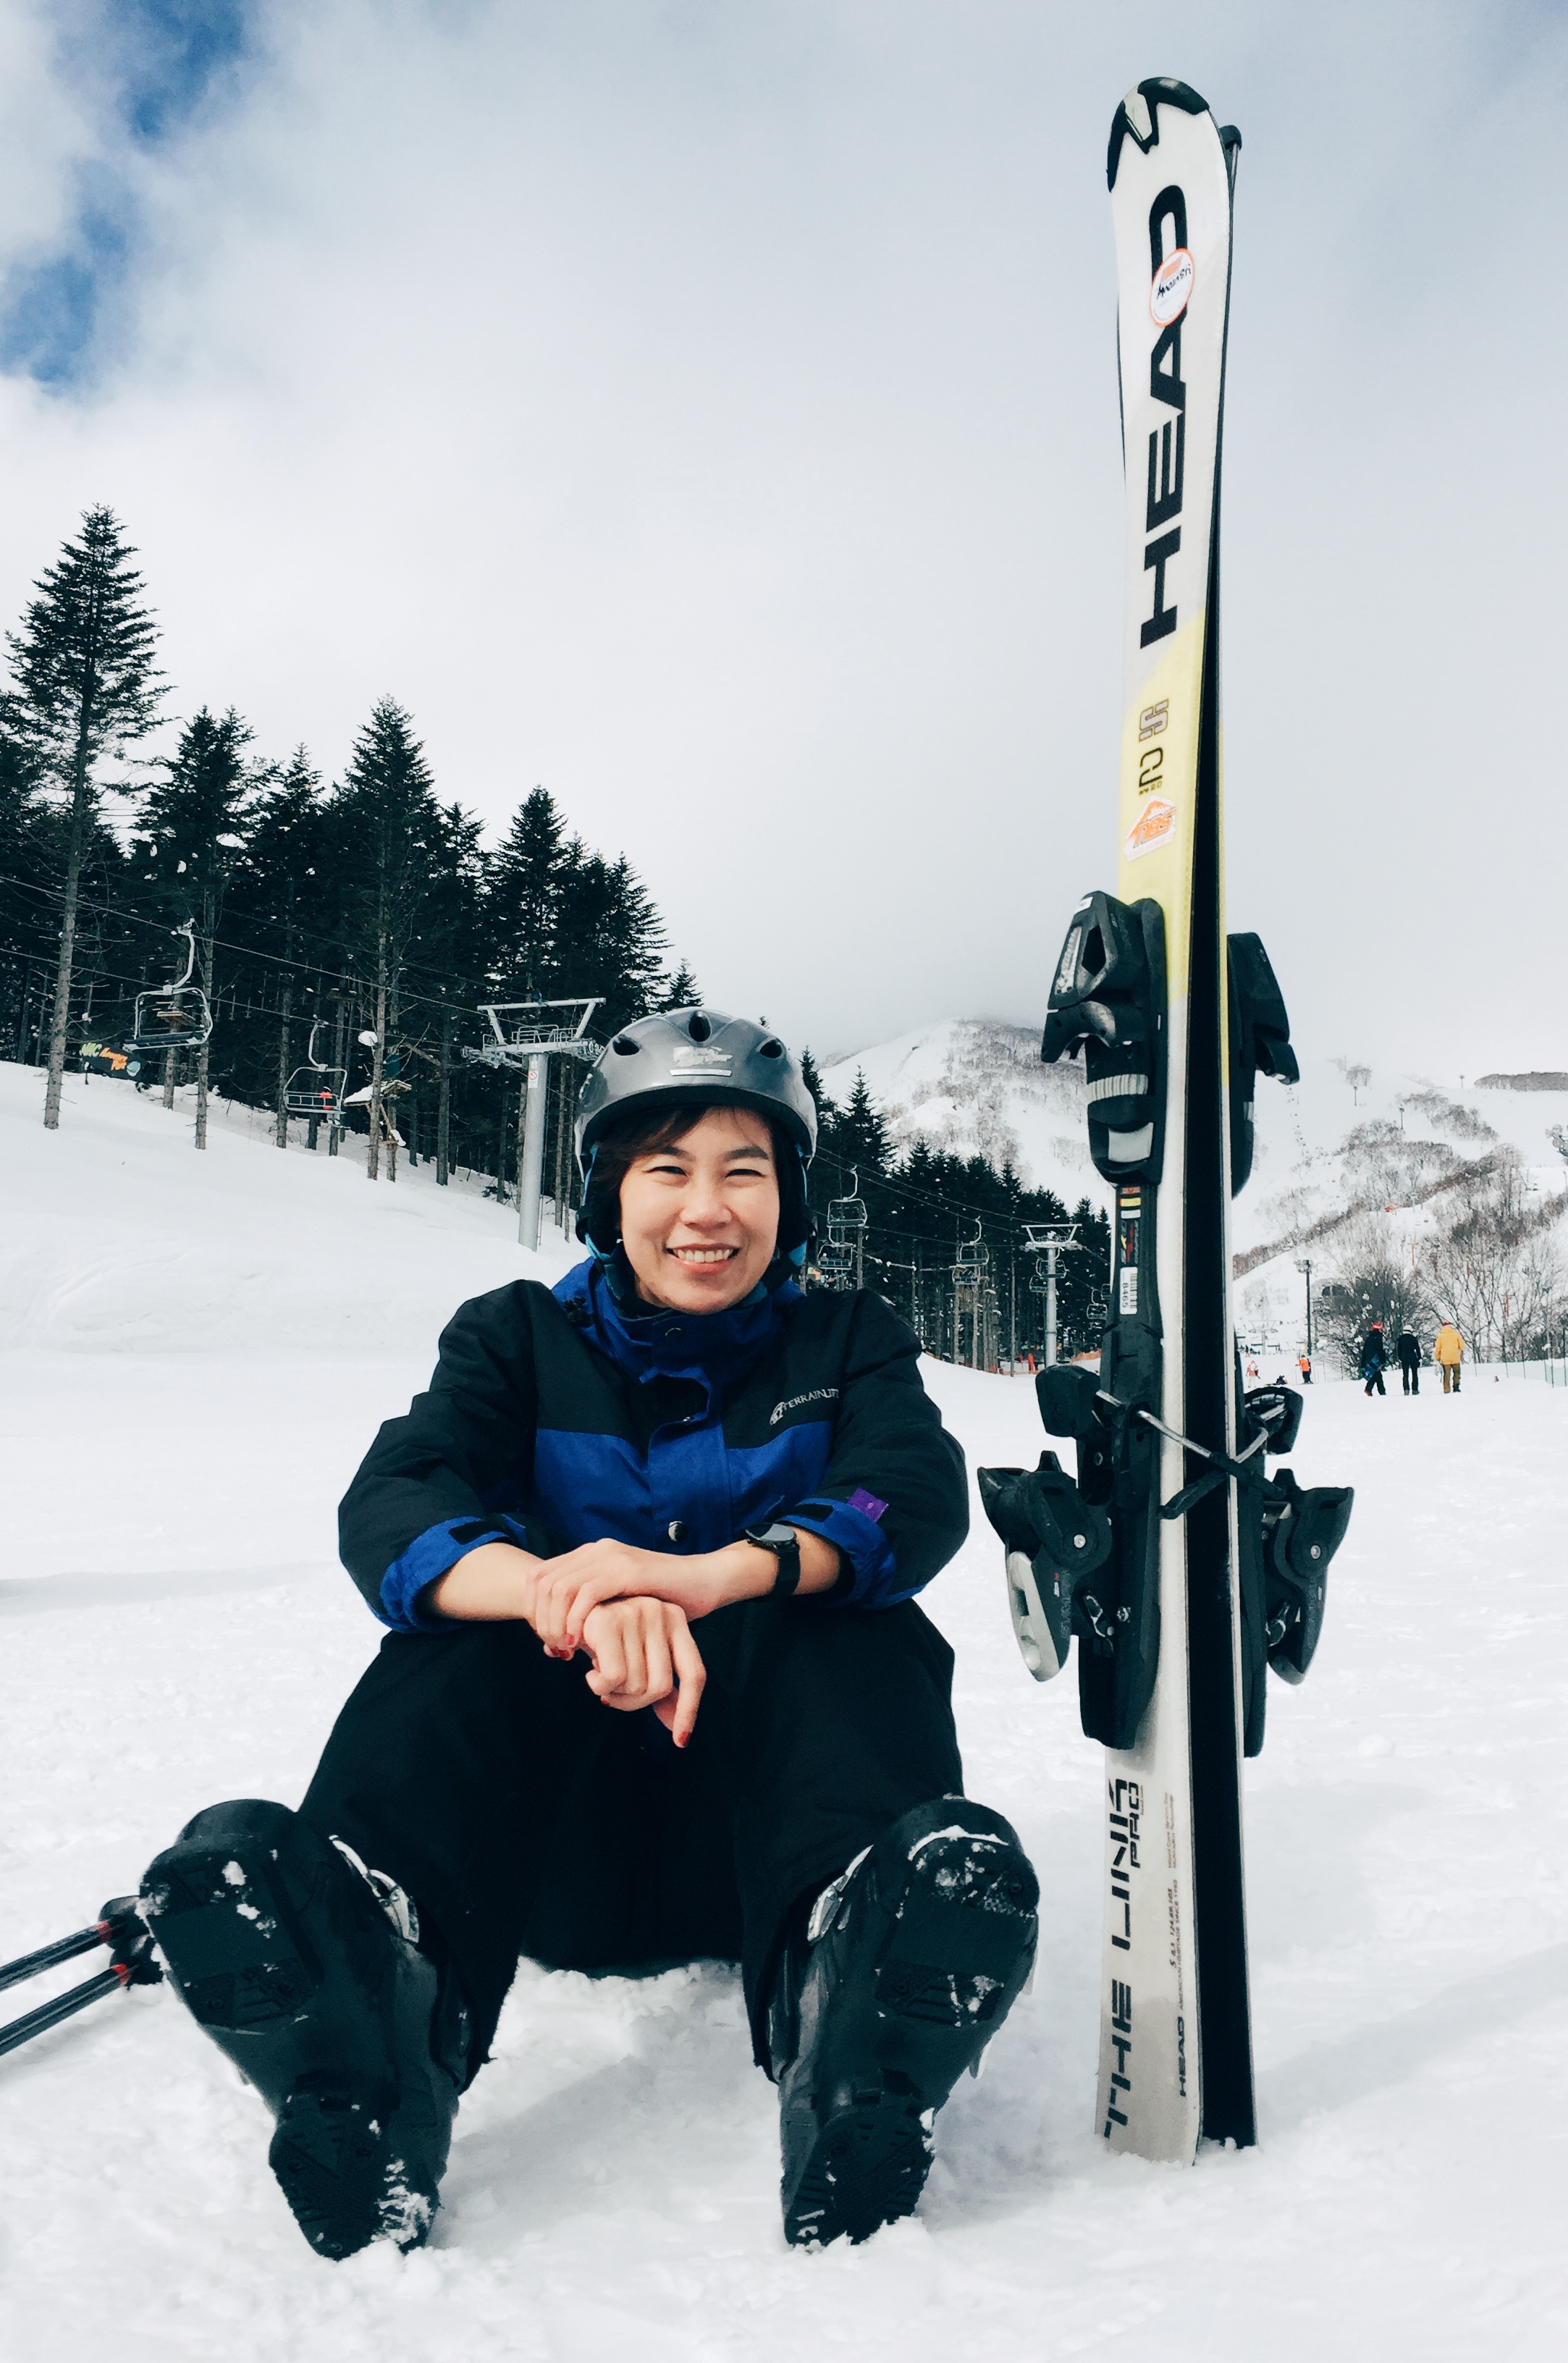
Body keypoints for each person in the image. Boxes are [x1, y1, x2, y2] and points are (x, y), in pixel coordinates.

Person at [137, 1009, 1038, 2263]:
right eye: (666, 1169)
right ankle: (380, 2006)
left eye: (744, 1171)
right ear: (607, 1193)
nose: (706, 1208)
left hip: (768, 1863)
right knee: (461, 1635)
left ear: (789, 1197)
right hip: (539, 1861)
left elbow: (906, 1492)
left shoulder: (845, 1341)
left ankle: (853, 2020)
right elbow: (400, 1500)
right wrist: (577, 1595)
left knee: (845, 1618)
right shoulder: (515, 1336)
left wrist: (705, 1577)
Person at [1434, 1319, 1464, 1394]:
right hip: (1455, 1357)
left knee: (1447, 1374)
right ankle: (1456, 1387)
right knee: (1457, 1373)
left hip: (1445, 1358)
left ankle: (1447, 1389)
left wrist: (1437, 1357)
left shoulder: (1440, 1337)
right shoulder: (1456, 1335)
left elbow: (1438, 1348)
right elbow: (1462, 1347)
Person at [1360, 1322, 1388, 1397]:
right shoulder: (1379, 1338)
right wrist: (1383, 1360)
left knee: (1377, 1375)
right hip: (1376, 1360)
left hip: (1369, 1361)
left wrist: (1363, 1362)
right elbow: (1380, 1350)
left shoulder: (1369, 1339)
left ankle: (1380, 1391)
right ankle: (1372, 1390)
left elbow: (1364, 1351)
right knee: (1377, 1375)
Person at [1396, 1327, 1422, 1395]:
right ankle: (1415, 1390)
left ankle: (1406, 1389)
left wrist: (1400, 1358)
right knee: (1415, 1374)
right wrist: (1419, 1358)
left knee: (1405, 1375)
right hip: (1413, 1357)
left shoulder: (1401, 1339)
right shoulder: (1413, 1338)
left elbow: (1399, 1350)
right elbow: (1417, 1349)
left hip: (1404, 1358)